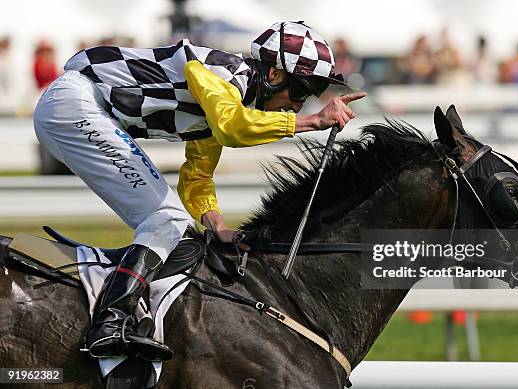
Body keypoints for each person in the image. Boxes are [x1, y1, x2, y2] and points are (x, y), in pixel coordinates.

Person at [33, 21, 365, 362]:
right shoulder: (221, 74)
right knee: (166, 220)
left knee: (180, 231)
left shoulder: (228, 101)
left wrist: (218, 226)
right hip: (76, 104)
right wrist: (312, 123)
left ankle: (120, 310)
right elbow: (233, 128)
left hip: (80, 109)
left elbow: (196, 177)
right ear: (275, 75)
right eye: (299, 93)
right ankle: (109, 322)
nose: (297, 107)